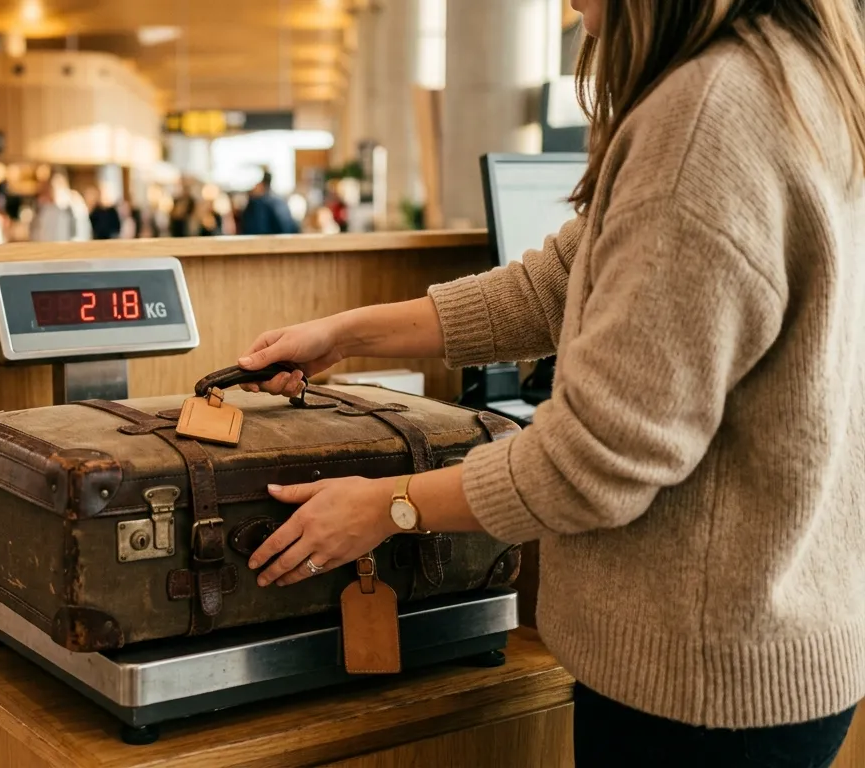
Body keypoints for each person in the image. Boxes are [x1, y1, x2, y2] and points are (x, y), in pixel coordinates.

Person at [236, 0, 865, 765]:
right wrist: (346, 333)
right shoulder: (797, 69)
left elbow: (595, 459)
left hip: (700, 691)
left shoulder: (706, 117)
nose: (567, 4)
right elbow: (563, 280)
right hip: (778, 642)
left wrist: (387, 506)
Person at [240, 170, 299, 236]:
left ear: (261, 185)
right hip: (285, 239)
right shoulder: (280, 200)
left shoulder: (259, 203)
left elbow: (257, 229)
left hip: (265, 241)